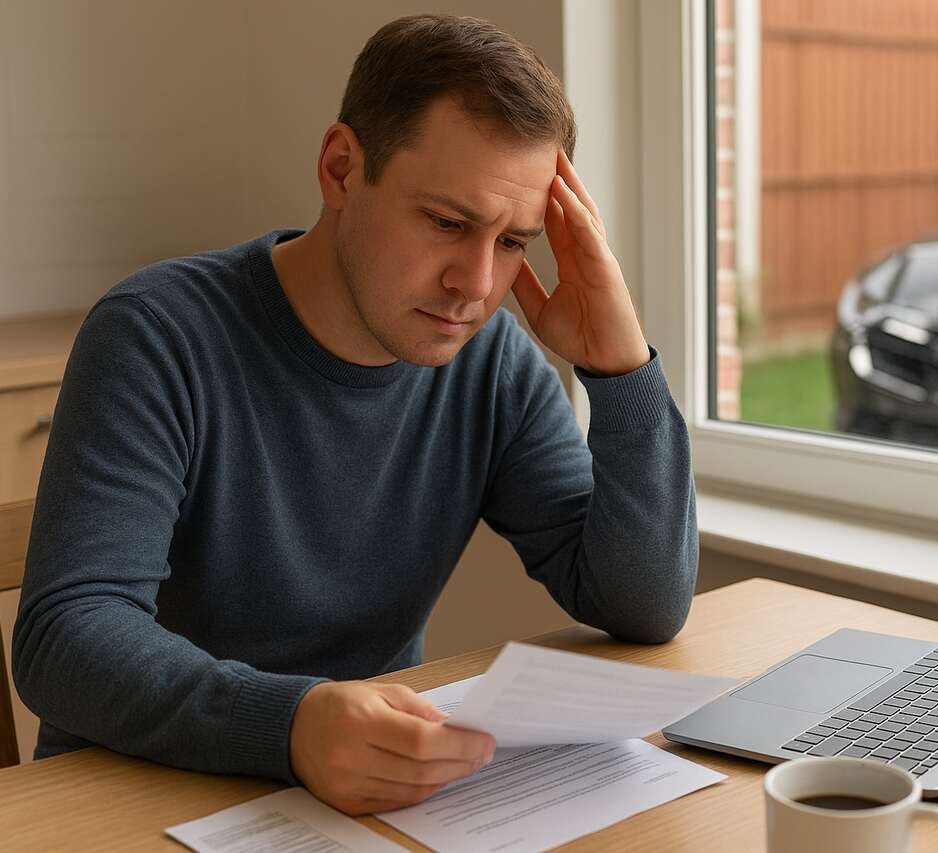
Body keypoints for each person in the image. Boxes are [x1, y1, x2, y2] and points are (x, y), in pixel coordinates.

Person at [13, 14, 696, 816]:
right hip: (121, 798)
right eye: (448, 222)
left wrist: (619, 372)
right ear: (341, 169)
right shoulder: (157, 335)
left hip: (357, 804)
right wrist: (291, 723)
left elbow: (642, 605)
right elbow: (66, 636)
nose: (476, 284)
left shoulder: (491, 364)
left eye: (515, 241)